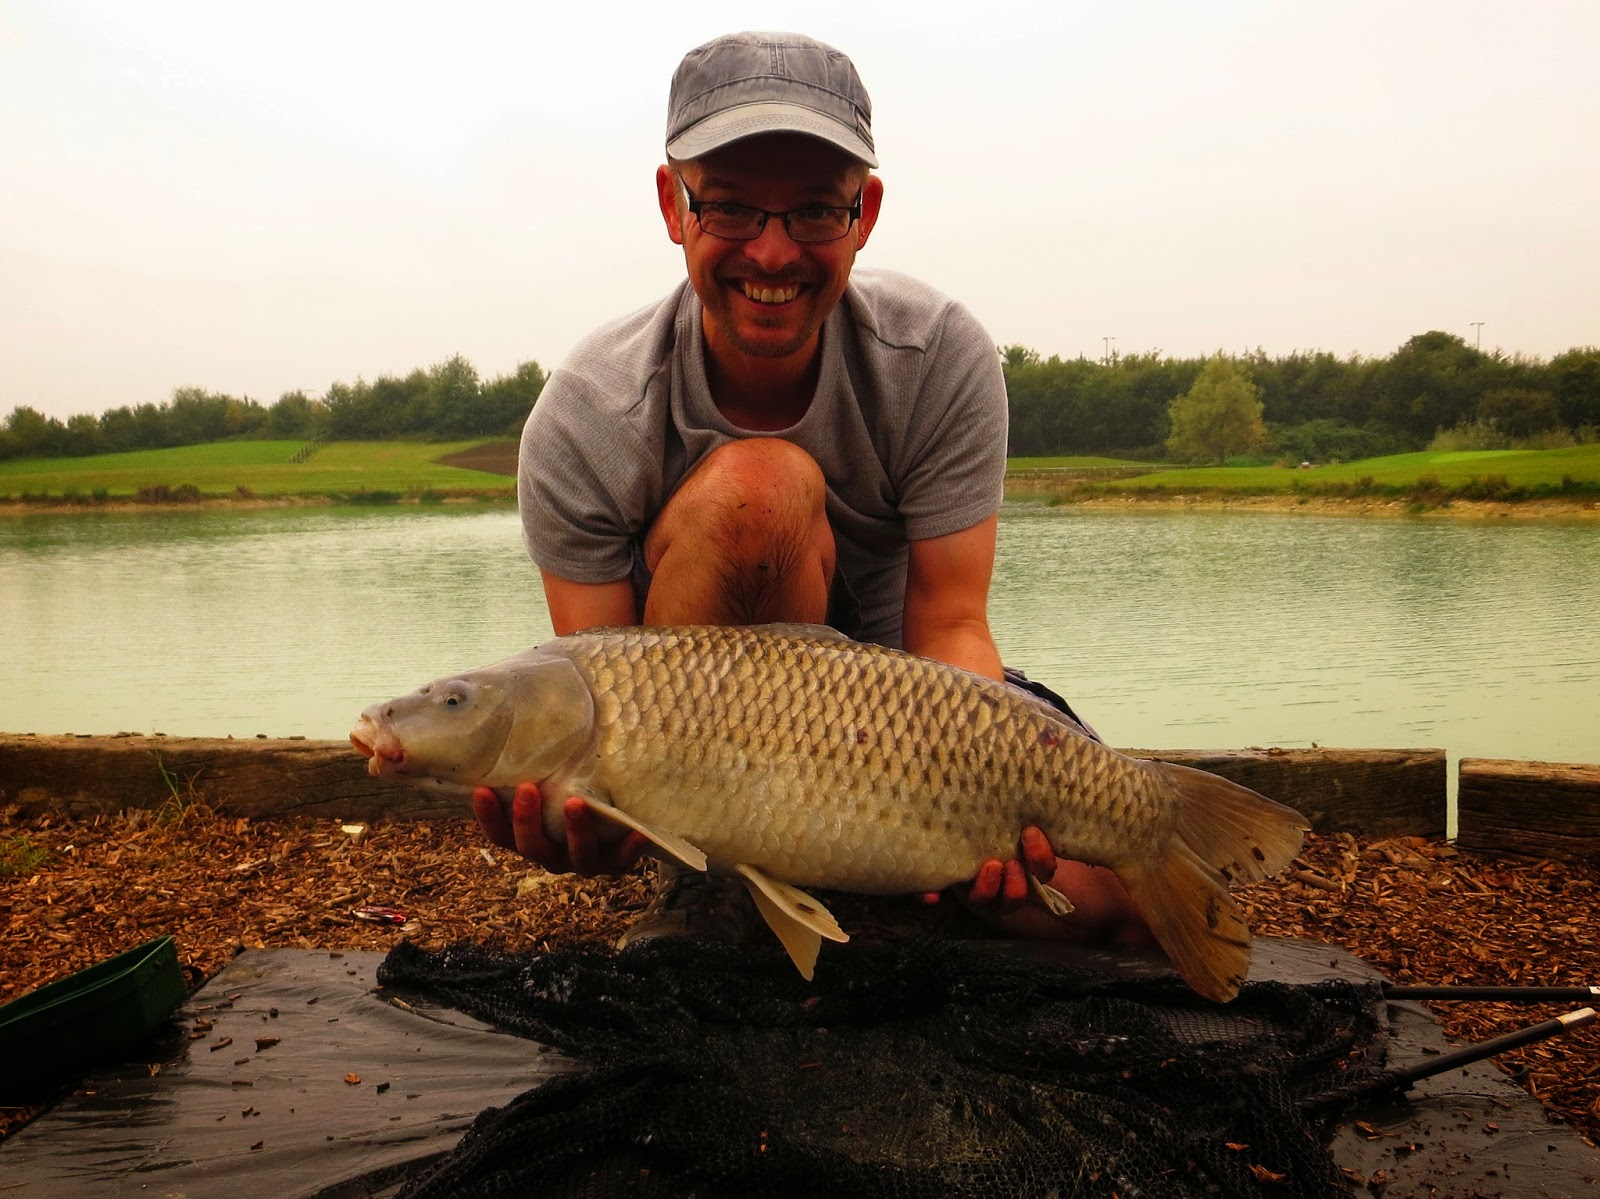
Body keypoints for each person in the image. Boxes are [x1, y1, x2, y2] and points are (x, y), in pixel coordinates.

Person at [473, 31, 1148, 949]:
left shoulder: (940, 354)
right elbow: (598, 697)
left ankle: (899, 876)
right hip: (701, 768)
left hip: (904, 727)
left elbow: (951, 623)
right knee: (760, 485)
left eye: (815, 214)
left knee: (1116, 903)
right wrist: (589, 824)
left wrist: (974, 800)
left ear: (864, 212)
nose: (774, 252)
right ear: (675, 206)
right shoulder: (588, 414)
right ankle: (723, 886)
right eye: (735, 210)